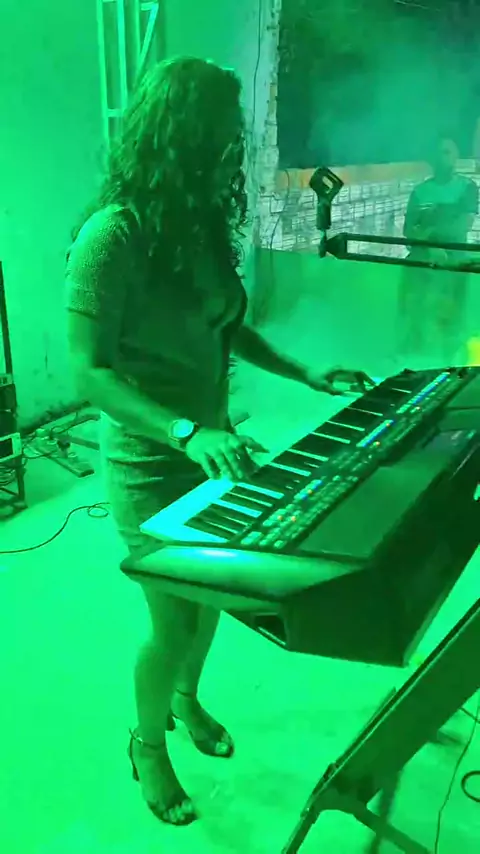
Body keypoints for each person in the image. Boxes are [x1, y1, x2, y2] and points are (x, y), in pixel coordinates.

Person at [65, 56, 372, 827]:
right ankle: (146, 745)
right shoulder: (112, 235)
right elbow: (89, 373)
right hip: (150, 463)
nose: (236, 146)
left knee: (207, 608)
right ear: (178, 134)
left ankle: (186, 700)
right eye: (223, 131)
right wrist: (184, 430)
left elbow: (225, 325)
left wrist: (305, 372)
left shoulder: (198, 224)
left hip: (213, 452)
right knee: (171, 621)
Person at [398, 136, 478, 364]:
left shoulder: (467, 188)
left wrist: (428, 234)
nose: (443, 158)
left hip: (454, 263)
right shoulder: (420, 192)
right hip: (421, 263)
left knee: (449, 316)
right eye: (439, 153)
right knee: (414, 312)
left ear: (456, 156)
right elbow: (408, 230)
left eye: (448, 152)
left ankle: (449, 362)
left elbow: (462, 226)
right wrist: (430, 245)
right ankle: (412, 360)